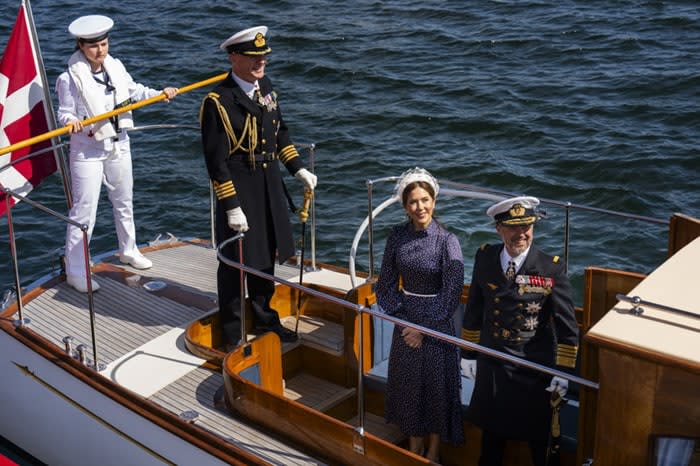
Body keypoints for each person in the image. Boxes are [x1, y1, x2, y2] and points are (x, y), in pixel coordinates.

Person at [199, 26, 317, 345]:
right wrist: (231, 206)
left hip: (268, 185)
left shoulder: (265, 86)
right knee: (236, 263)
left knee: (265, 257)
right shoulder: (218, 102)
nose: (261, 62)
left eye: (263, 56)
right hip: (240, 189)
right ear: (234, 58)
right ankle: (233, 334)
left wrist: (297, 169)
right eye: (253, 57)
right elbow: (216, 162)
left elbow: (280, 133)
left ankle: (265, 320)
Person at [56, 14, 178, 293]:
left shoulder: (116, 67)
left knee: (124, 200)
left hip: (119, 142)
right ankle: (76, 269)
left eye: (104, 44)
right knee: (84, 212)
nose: (101, 51)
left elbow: (134, 91)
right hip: (88, 150)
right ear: (81, 46)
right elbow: (64, 112)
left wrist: (161, 93)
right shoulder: (69, 79)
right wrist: (68, 122)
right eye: (94, 46)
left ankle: (129, 249)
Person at [460, 196, 579, 466]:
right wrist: (468, 353)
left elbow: (566, 324)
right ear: (499, 229)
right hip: (493, 362)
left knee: (541, 442)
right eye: (513, 227)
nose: (521, 233)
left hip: (534, 367)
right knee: (491, 439)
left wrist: (562, 371)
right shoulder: (485, 257)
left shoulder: (551, 267)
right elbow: (475, 308)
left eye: (527, 225)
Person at [376, 167, 464, 462]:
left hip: (437, 327)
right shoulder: (396, 237)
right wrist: (404, 323)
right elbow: (385, 285)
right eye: (413, 202)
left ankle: (434, 455)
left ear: (434, 201)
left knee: (436, 393)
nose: (420, 207)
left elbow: (452, 294)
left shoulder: (447, 241)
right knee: (410, 390)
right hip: (406, 322)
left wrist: (423, 329)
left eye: (425, 200)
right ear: (405, 206)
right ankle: (414, 452)